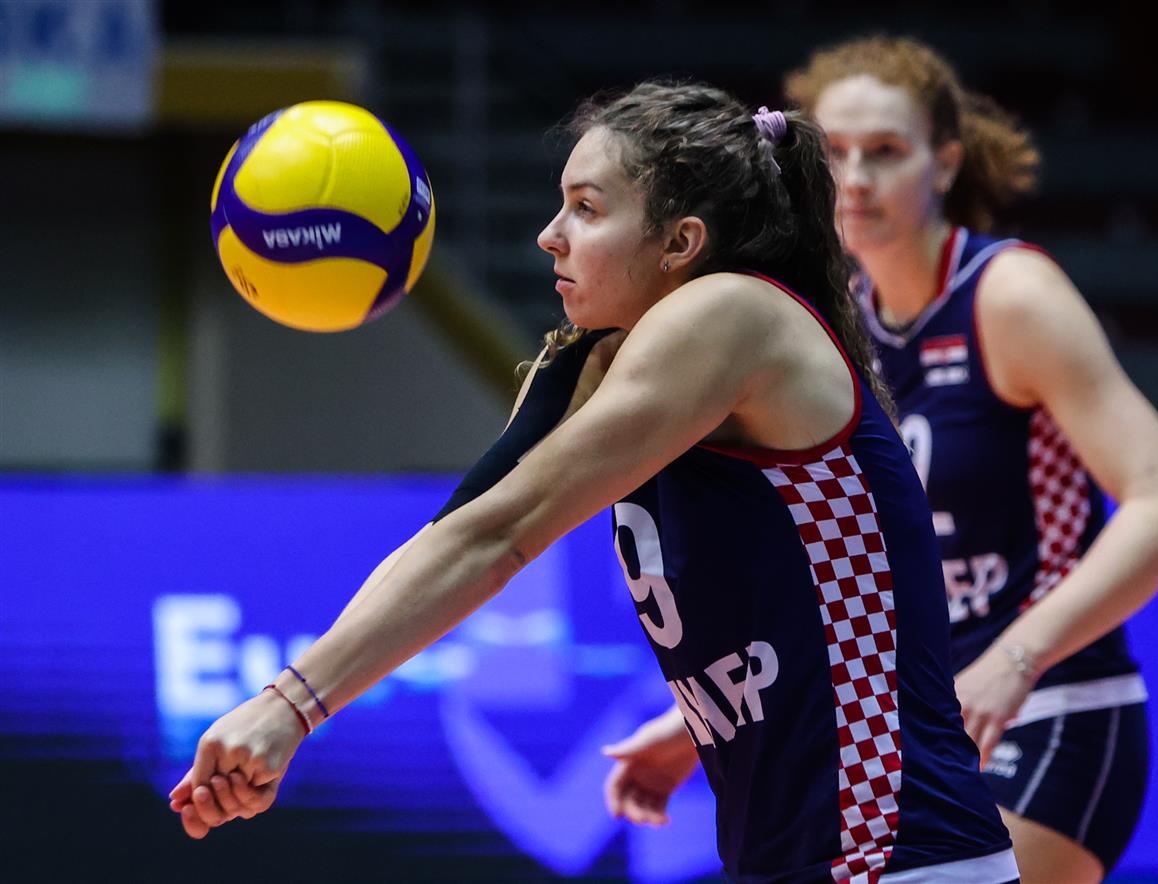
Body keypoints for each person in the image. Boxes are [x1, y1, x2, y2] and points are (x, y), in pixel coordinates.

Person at [168, 81, 1022, 882]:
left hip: (897, 852)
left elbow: (499, 538)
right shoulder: (604, 359)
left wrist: (290, 706)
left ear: (680, 242)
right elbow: (457, 533)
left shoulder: (733, 315)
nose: (550, 235)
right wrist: (694, 729)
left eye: (586, 208)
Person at [604, 38, 1158, 884]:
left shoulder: (1010, 295)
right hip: (915, 716)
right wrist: (701, 722)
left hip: (1050, 706)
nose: (856, 179)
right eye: (838, 153)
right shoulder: (824, 322)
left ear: (945, 163)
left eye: (886, 152)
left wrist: (1013, 661)